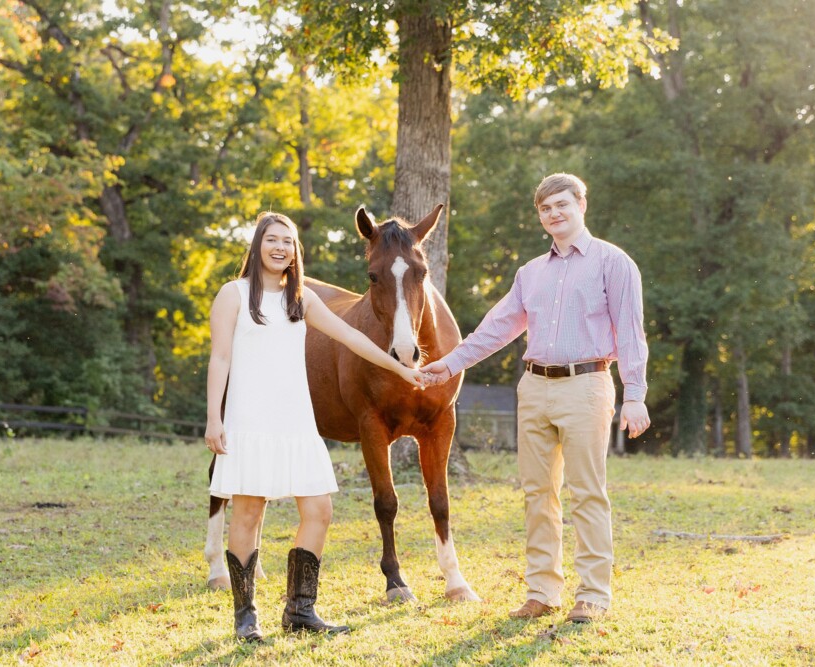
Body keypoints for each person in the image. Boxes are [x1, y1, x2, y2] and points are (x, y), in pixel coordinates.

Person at [421, 173, 650, 623]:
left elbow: (631, 331)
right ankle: (542, 590)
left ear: (582, 204)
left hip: (587, 384)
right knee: (537, 493)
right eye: (546, 209)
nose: (554, 214)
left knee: (587, 492)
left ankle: (593, 595)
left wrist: (635, 395)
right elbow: (497, 328)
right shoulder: (531, 272)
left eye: (562, 204)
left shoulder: (613, 262)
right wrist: (449, 364)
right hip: (535, 387)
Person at [204, 211, 424, 642]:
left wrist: (400, 368)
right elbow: (221, 359)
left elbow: (351, 337)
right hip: (249, 418)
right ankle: (246, 616)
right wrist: (215, 417)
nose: (280, 247)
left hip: (298, 420)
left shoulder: (300, 297)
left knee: (319, 509)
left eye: (288, 241)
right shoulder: (232, 295)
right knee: (249, 511)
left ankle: (300, 610)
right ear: (257, 245)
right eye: (272, 239)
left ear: (295, 251)